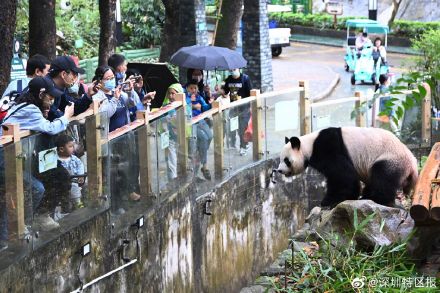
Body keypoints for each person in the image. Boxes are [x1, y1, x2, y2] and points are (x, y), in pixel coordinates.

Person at [0, 77, 74, 251]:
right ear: (41, 94)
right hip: (3, 158)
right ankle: (20, 225)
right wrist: (66, 117)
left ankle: (6, 235)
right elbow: (50, 128)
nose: (53, 100)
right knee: (36, 188)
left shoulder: (26, 106)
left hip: (8, 156)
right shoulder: (31, 109)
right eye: (50, 97)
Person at [91, 65, 141, 205]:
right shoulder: (98, 97)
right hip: (109, 140)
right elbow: (104, 114)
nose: (111, 81)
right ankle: (115, 203)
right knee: (113, 173)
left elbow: (132, 104)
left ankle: (126, 196)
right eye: (108, 78)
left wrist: (130, 92)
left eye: (112, 77)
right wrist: (114, 99)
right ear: (99, 81)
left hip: (124, 138)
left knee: (126, 169)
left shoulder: (118, 92)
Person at [47, 56, 93, 121]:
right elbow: (51, 116)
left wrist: (88, 95)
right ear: (63, 74)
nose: (75, 78)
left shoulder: (60, 88)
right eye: (74, 74)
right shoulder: (46, 88)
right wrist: (71, 117)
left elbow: (73, 107)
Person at [186, 80, 213, 180]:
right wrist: (192, 104)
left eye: (195, 88)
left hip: (201, 120)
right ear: (187, 89)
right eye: (191, 88)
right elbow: (183, 107)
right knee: (204, 139)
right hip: (191, 123)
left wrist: (211, 104)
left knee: (210, 136)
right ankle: (204, 165)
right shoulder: (186, 98)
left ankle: (200, 154)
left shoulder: (199, 97)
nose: (193, 90)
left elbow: (204, 107)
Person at [223, 68, 252, 156]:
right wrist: (220, 90)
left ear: (238, 69)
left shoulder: (245, 79)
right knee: (232, 126)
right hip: (233, 107)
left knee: (242, 128)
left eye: (234, 69)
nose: (232, 71)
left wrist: (243, 100)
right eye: (230, 70)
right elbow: (225, 92)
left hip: (244, 108)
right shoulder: (229, 79)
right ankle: (233, 144)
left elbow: (251, 93)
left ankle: (243, 147)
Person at [56, 134, 85, 210]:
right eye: (70, 146)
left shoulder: (74, 158)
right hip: (62, 184)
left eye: (73, 146)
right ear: (61, 149)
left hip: (74, 182)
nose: (73, 148)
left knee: (75, 190)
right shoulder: (56, 160)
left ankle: (78, 204)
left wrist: (80, 175)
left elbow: (80, 165)